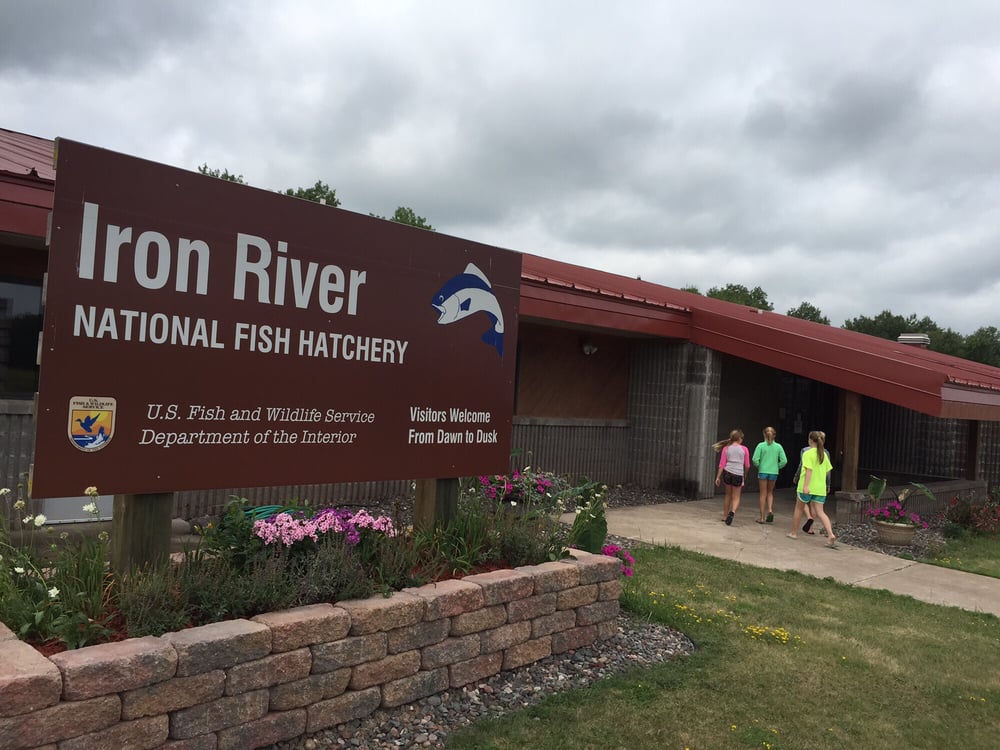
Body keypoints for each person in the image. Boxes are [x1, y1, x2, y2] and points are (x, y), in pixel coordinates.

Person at [788, 430, 836, 547]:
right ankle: (830, 534)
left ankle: (793, 532)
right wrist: (826, 485)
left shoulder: (807, 453)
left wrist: (806, 486)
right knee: (820, 512)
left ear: (810, 440)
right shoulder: (824, 454)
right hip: (820, 488)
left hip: (806, 487)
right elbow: (827, 471)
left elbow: (808, 470)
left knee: (799, 509)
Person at [713, 429, 750, 525]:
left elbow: (722, 464)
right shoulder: (744, 449)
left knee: (728, 495)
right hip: (738, 474)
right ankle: (732, 512)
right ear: (739, 439)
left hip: (727, 473)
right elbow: (747, 465)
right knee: (736, 497)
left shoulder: (726, 449)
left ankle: (725, 515)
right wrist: (745, 474)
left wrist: (718, 477)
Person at [751, 426, 787, 523]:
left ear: (764, 434)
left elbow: (754, 459)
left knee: (763, 494)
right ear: (774, 435)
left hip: (763, 471)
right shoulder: (778, 447)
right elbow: (784, 461)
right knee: (770, 492)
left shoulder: (760, 446)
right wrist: (777, 466)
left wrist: (759, 466)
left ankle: (762, 517)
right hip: (774, 472)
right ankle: (770, 510)